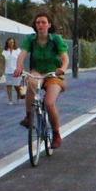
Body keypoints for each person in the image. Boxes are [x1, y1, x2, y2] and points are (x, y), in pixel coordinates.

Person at [14, 12, 68, 149]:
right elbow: (22, 54)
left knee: (49, 103)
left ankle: (56, 134)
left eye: (43, 22)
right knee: (31, 82)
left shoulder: (56, 39)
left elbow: (65, 58)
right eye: (38, 22)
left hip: (53, 73)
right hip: (37, 71)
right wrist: (19, 67)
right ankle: (28, 117)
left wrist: (62, 68)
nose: (40, 25)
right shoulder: (30, 39)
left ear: (49, 25)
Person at [0, 38, 21, 104]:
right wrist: (1, 70)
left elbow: (20, 60)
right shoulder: (4, 51)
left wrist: (21, 68)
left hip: (16, 71)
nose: (11, 43)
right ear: (7, 43)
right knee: (8, 85)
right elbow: (2, 62)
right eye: (9, 42)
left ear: (14, 43)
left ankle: (19, 95)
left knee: (16, 85)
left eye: (12, 42)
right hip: (8, 71)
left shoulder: (18, 50)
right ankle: (10, 100)